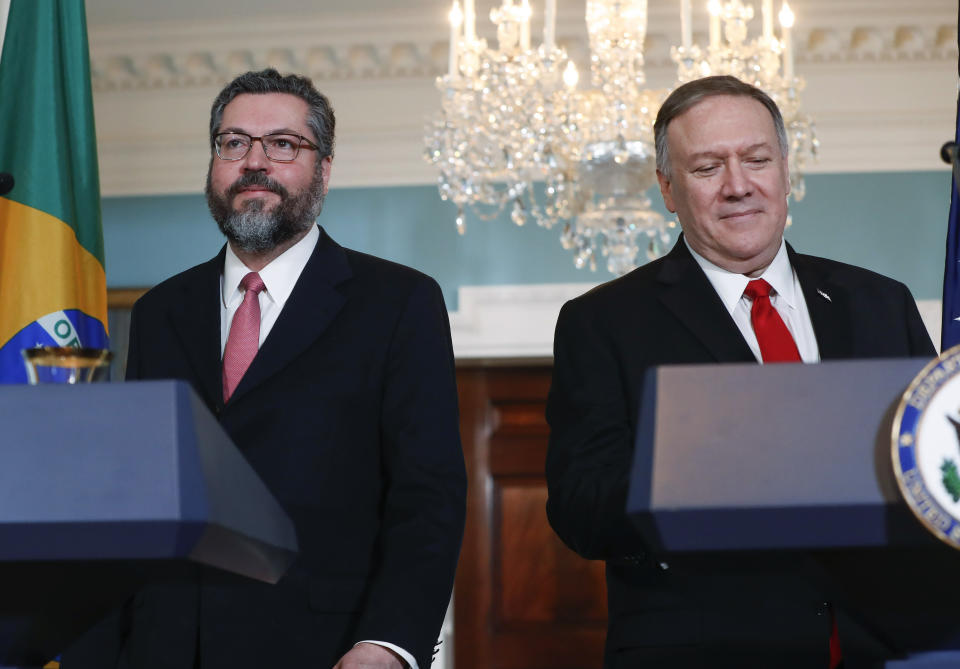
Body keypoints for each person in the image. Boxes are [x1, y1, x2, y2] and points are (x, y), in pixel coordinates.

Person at [64, 69, 466, 669]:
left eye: (282, 144)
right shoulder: (159, 311)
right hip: (163, 647)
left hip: (324, 650)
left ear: (324, 170)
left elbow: (428, 495)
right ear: (213, 165)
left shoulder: (398, 302)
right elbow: (134, 497)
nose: (255, 162)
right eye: (233, 143)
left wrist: (389, 642)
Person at [545, 75, 935, 668]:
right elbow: (581, 509)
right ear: (667, 188)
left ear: (784, 170)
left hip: (884, 647)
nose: (738, 186)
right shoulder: (603, 322)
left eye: (756, 159)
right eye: (707, 168)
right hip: (706, 652)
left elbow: (932, 471)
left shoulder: (880, 303)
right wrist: (721, 456)